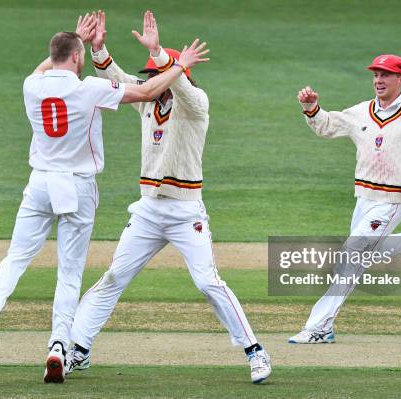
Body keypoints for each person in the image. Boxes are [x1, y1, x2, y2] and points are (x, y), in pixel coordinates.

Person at [0, 13, 209, 384]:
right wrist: (180, 65)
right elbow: (146, 92)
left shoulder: (32, 86)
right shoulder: (88, 90)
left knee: (15, 259)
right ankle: (58, 347)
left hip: (40, 184)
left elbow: (43, 67)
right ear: (79, 59)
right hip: (77, 186)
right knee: (68, 273)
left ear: (54, 55)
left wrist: (76, 43)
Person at [65, 10, 272, 384]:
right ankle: (78, 349)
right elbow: (120, 80)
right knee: (114, 276)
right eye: (151, 76)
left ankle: (254, 351)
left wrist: (162, 54)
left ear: (178, 75)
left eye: (160, 75)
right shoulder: (147, 102)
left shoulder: (196, 106)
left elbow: (182, 89)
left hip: (185, 210)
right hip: (148, 210)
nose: (152, 81)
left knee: (208, 282)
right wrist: (99, 50)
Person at [288, 54, 401, 344]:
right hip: (364, 198)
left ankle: (320, 327)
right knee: (360, 255)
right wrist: (312, 108)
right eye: (376, 75)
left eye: (386, 75)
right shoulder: (361, 111)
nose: (378, 81)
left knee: (350, 256)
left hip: (393, 200)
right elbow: (327, 126)